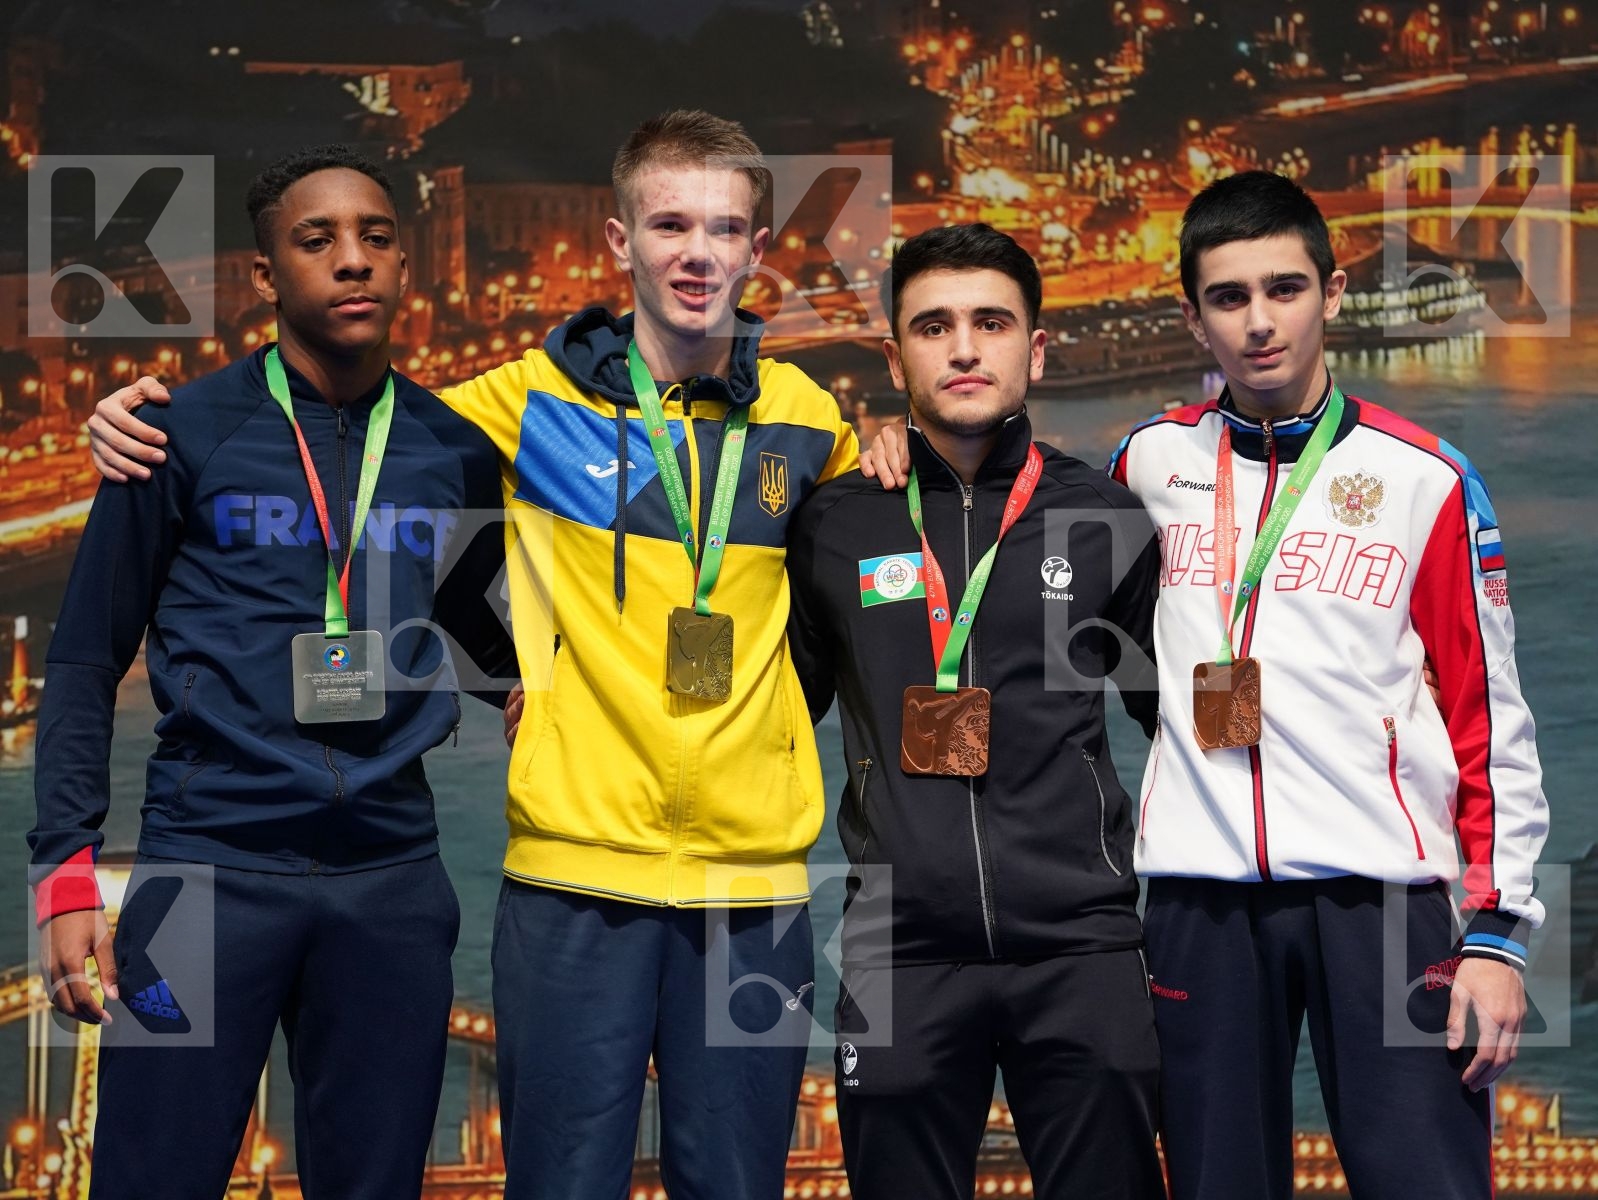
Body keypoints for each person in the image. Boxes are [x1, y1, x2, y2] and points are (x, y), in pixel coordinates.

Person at [84, 111, 860, 1199]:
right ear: (616, 240)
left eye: (725, 227)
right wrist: (124, 418)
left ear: (758, 249)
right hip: (550, 870)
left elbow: (846, 598)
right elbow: (355, 449)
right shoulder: (514, 407)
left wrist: (911, 443)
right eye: (670, 223)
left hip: (746, 880)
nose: (697, 251)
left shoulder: (812, 419)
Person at [865, 171, 1551, 1200]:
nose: (1259, 322)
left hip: (1385, 901)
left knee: (1424, 1182)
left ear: (1329, 292)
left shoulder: (1426, 480)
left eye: (1283, 288)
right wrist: (892, 445)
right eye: (1228, 298)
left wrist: (1497, 934)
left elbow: (1486, 719)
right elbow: (1019, 529)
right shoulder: (1144, 465)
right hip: (1196, 901)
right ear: (1192, 317)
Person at [30, 144, 511, 1200]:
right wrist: (65, 872)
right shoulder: (175, 433)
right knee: (149, 1181)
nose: (353, 261)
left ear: (405, 261)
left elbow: (491, 656)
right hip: (201, 885)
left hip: (391, 887)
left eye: (376, 239)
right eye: (318, 239)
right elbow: (80, 659)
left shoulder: (453, 450)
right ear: (265, 275)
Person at [785, 223, 1166, 1200]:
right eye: (933, 325)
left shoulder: (1105, 517)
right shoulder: (832, 523)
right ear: (892, 354)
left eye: (990, 322)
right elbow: (771, 718)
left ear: (1034, 347)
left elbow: (1184, 726)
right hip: (894, 952)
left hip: (1082, 947)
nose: (962, 347)